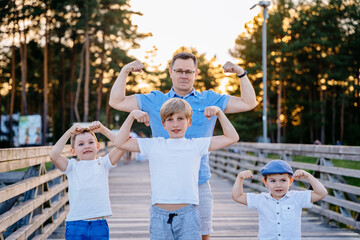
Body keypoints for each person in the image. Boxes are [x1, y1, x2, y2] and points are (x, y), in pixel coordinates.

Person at [109, 51, 257, 239]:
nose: (184, 75)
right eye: (179, 70)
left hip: (199, 181)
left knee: (202, 236)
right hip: (165, 186)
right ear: (170, 72)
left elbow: (248, 103)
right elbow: (116, 101)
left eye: (189, 71)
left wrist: (241, 73)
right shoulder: (154, 99)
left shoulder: (209, 99)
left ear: (196, 74)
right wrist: (124, 71)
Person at [114, 98, 239, 239]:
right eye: (169, 120)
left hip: (188, 214)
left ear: (189, 122)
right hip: (159, 215)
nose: (175, 124)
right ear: (163, 124)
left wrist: (219, 113)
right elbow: (119, 142)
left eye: (180, 118)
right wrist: (131, 116)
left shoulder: (196, 145)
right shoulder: (154, 145)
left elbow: (232, 137)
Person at [49, 121, 125, 240]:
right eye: (81, 144)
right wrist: (69, 132)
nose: (87, 146)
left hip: (99, 225)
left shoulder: (103, 163)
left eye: (91, 142)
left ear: (97, 146)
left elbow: (123, 145)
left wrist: (103, 129)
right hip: (75, 224)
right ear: (73, 151)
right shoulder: (71, 167)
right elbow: (53, 155)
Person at [232, 160, 328, 240]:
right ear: (265, 183)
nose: (278, 185)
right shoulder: (261, 199)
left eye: (283, 180)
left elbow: (322, 193)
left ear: (290, 181)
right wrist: (240, 178)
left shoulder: (297, 197)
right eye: (273, 181)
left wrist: (308, 176)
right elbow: (238, 196)